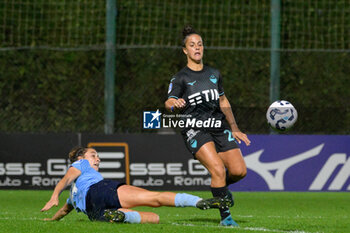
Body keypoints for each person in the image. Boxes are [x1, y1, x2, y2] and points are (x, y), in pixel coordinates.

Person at [164, 25, 251, 226]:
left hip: (218, 126)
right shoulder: (180, 78)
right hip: (195, 129)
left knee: (239, 171)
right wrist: (173, 104)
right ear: (185, 50)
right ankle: (226, 217)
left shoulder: (214, 74)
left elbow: (223, 100)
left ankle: (219, 189)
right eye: (192, 45)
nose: (197, 48)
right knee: (218, 170)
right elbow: (168, 101)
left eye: (200, 44)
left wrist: (234, 127)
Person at [41, 146, 232, 224]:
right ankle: (198, 202)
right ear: (81, 158)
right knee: (154, 199)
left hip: (93, 211)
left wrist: (52, 220)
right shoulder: (80, 164)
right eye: (93, 155)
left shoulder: (73, 196)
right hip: (100, 191)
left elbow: (65, 210)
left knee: (154, 218)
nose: (98, 158)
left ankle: (119, 216)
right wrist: (54, 195)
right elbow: (65, 178)